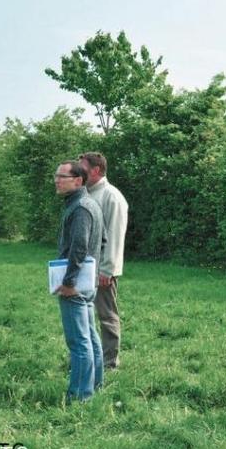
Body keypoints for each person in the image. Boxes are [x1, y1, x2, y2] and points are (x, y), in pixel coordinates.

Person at [54, 160, 104, 402]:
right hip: (88, 282)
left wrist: (70, 281)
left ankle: (80, 396)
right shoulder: (89, 204)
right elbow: (102, 241)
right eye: (56, 176)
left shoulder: (81, 208)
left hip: (77, 285)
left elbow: (79, 247)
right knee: (90, 335)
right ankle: (95, 385)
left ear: (78, 180)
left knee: (78, 341)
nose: (56, 180)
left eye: (61, 176)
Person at [79, 152, 129, 370]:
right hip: (85, 268)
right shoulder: (87, 194)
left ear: (96, 170)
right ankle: (91, 360)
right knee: (86, 316)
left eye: (83, 168)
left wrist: (106, 271)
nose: (79, 173)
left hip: (102, 272)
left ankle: (109, 364)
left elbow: (115, 236)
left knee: (107, 317)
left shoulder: (111, 196)